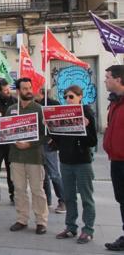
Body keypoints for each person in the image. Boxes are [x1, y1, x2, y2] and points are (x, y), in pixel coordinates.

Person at [52, 85, 97, 244]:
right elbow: (58, 141)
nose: (68, 100)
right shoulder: (62, 113)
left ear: (80, 97)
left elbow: (93, 141)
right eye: (65, 97)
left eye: (71, 96)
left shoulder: (87, 112)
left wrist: (85, 127)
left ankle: (88, 229)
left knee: (86, 197)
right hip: (65, 162)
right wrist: (51, 127)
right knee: (69, 197)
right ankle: (71, 227)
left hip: (82, 162)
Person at [6, 78, 49, 235]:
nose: (29, 91)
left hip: (34, 157)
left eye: (30, 88)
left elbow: (46, 135)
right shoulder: (11, 109)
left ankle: (41, 222)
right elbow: (5, 131)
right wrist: (11, 139)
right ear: (18, 91)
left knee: (38, 190)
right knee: (19, 189)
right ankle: (22, 219)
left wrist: (29, 144)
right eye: (25, 88)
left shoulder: (39, 109)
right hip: (16, 156)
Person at [103, 65, 124, 251]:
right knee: (122, 200)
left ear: (118, 79)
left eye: (108, 77)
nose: (105, 80)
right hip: (116, 160)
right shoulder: (114, 102)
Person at [35, 88, 66, 214]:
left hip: (49, 144)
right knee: (43, 175)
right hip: (38, 143)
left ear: (40, 92)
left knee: (54, 173)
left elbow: (59, 124)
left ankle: (63, 200)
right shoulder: (34, 105)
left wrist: (52, 138)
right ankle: (47, 200)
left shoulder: (53, 104)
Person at [0, 79, 17, 208]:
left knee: (13, 169)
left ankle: (14, 195)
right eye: (5, 90)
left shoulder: (14, 101)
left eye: (8, 89)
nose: (8, 92)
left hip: (11, 142)